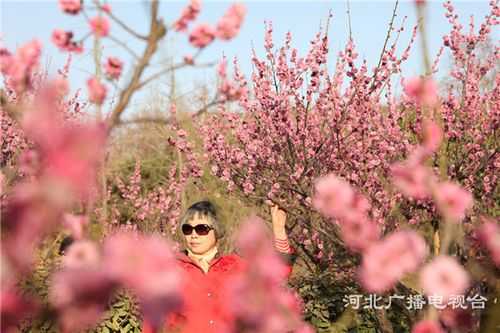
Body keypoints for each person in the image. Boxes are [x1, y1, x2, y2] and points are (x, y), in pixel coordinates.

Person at [142, 200, 295, 333]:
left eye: (201, 229)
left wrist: (279, 230)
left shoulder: (235, 266)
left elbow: (277, 273)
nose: (193, 235)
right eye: (187, 229)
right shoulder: (170, 269)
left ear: (217, 232)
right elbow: (151, 321)